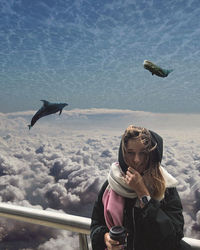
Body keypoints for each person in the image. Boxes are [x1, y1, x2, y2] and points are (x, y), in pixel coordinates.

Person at [90, 125, 192, 250]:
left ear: (152, 155)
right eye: (130, 153)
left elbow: (173, 237)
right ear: (123, 154)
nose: (137, 160)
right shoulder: (111, 185)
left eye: (143, 153)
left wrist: (142, 193)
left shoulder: (165, 187)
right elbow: (96, 223)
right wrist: (105, 237)